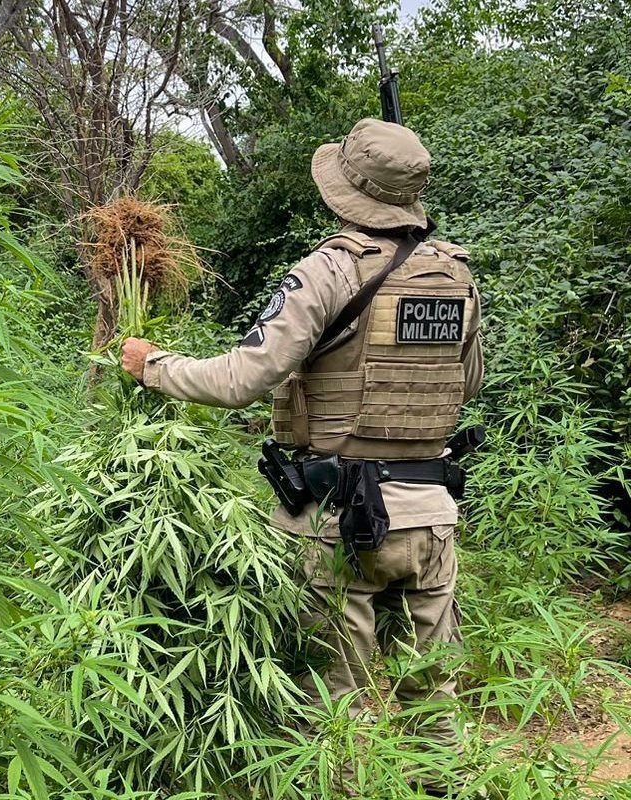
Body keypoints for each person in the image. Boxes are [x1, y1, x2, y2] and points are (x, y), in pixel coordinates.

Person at [120, 118, 483, 796]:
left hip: (338, 523)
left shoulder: (327, 269)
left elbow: (240, 379)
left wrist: (155, 366)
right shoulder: (455, 273)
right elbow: (468, 385)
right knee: (434, 703)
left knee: (328, 710)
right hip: (432, 517)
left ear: (347, 191)